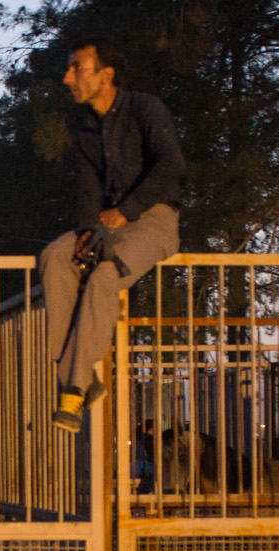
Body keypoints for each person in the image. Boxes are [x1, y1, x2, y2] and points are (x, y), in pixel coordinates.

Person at [36, 37, 186, 431]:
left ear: (105, 75)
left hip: (152, 221)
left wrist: (126, 211)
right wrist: (88, 230)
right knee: (55, 257)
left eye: (76, 68)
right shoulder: (86, 133)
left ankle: (72, 389)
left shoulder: (145, 108)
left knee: (104, 277)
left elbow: (171, 165)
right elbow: (87, 191)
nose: (67, 77)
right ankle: (84, 378)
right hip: (107, 224)